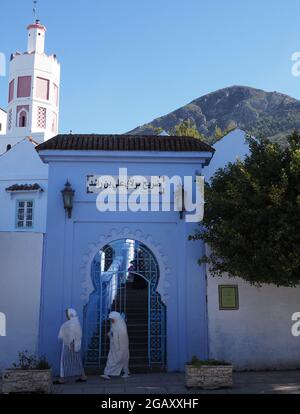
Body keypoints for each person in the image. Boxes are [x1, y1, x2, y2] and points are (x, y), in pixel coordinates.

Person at [54, 308, 87, 384]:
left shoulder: (70, 324)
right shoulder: (76, 322)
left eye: (67, 314)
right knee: (77, 360)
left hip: (69, 345)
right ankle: (83, 376)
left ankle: (62, 379)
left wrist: (70, 344)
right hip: (75, 345)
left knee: (64, 361)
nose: (66, 315)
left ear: (70, 314)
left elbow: (71, 335)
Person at [101, 311, 130, 380]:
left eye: (112, 319)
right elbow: (112, 332)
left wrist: (113, 334)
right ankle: (107, 373)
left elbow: (123, 334)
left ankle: (126, 372)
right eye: (110, 319)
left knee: (122, 360)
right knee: (112, 359)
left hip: (121, 346)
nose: (111, 321)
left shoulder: (121, 324)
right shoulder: (115, 323)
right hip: (115, 346)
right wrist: (109, 334)